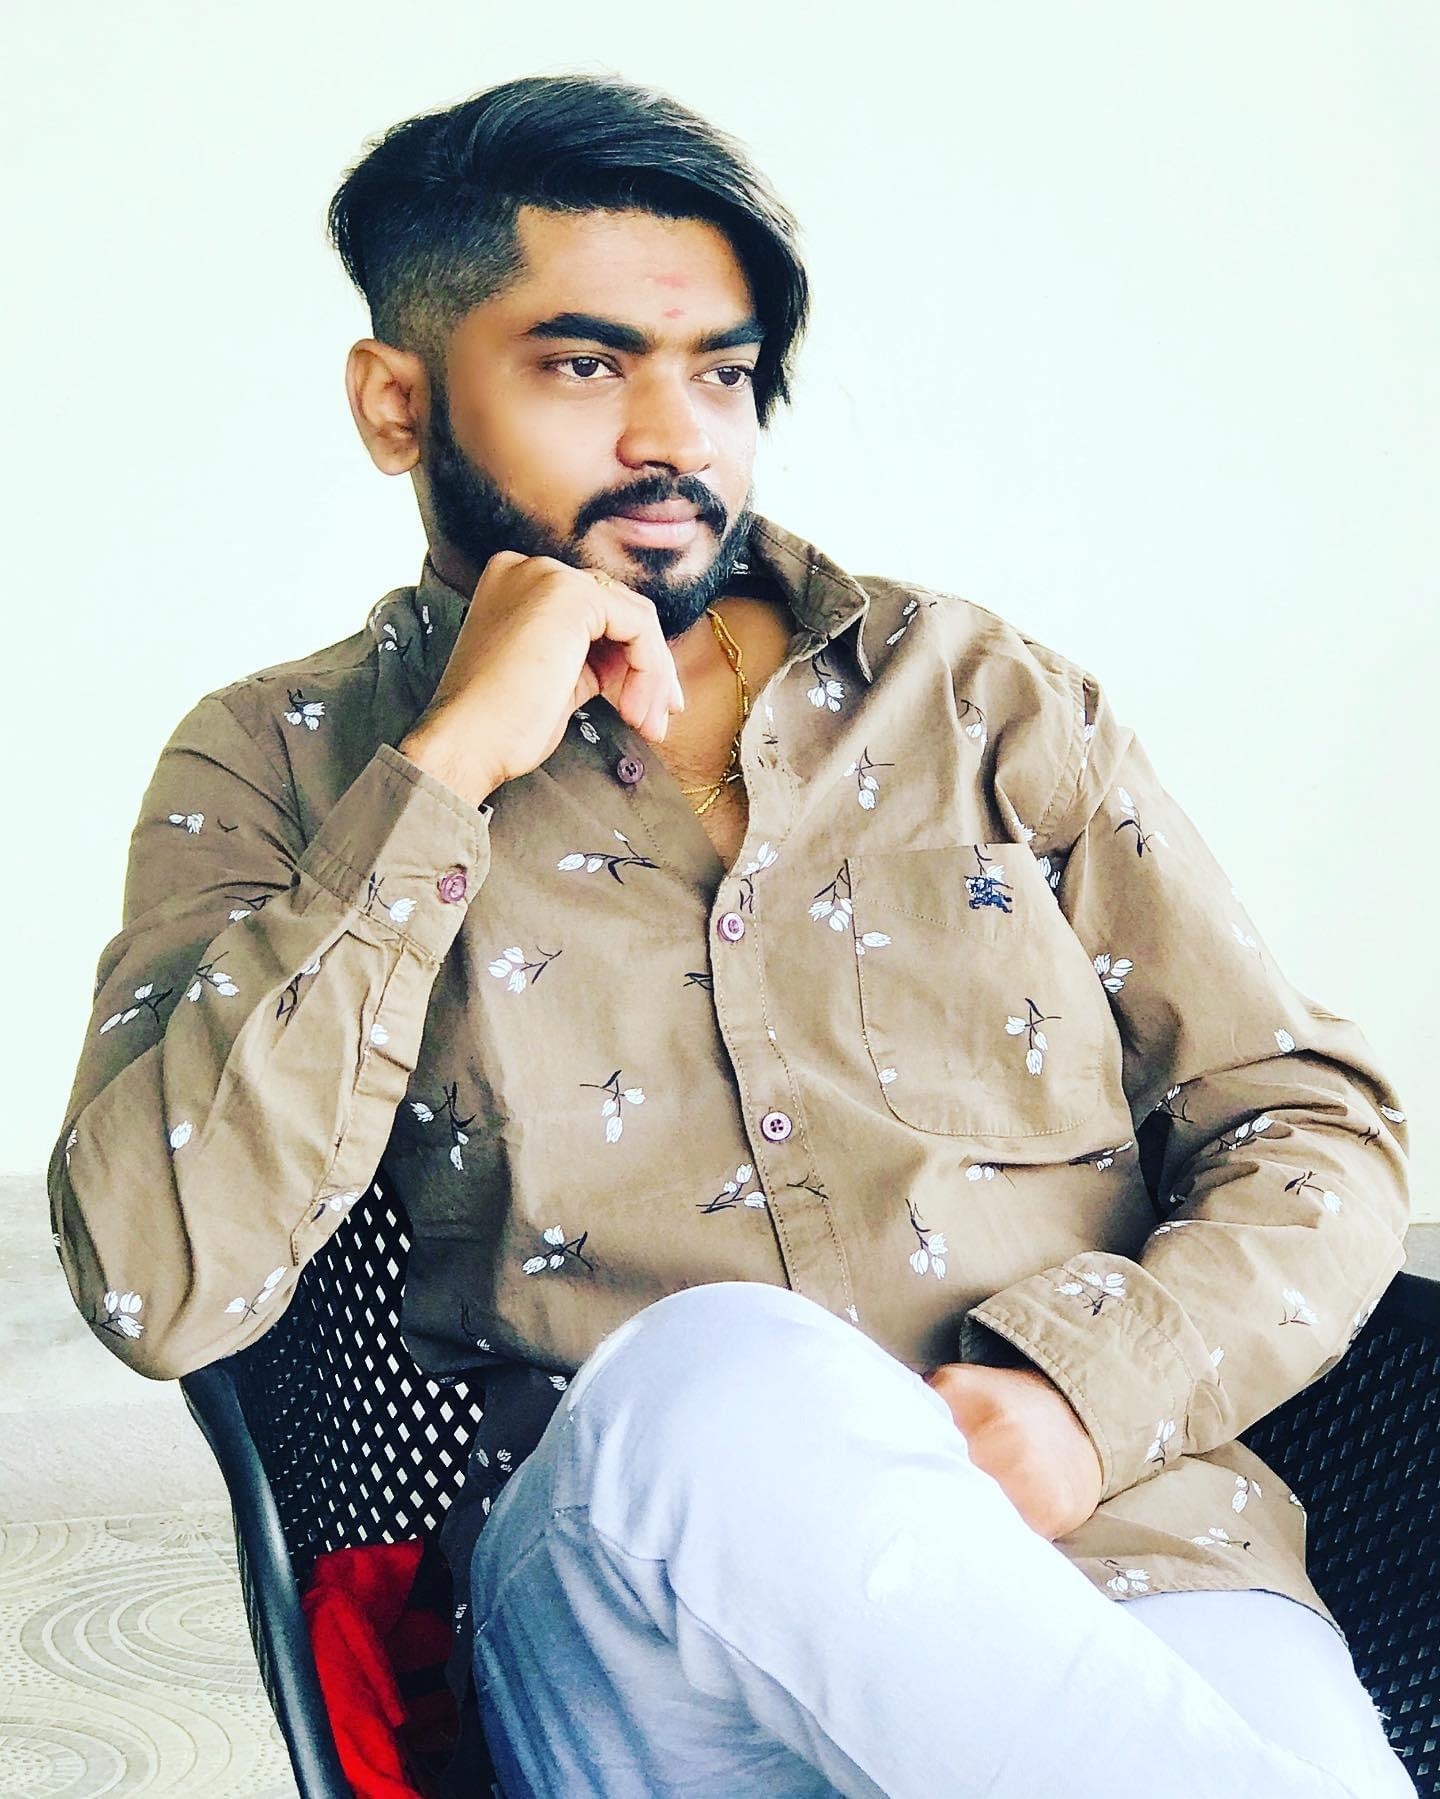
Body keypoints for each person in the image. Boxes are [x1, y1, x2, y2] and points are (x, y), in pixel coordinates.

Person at [49, 73, 1415, 1798]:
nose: (675, 436)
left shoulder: (977, 697)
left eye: (722, 373)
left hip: (1130, 1552)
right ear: (398, 405)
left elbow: (1306, 1122)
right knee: (734, 1367)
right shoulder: (284, 758)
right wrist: (448, 768)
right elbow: (162, 1279)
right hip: (646, 1631)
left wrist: (1091, 1397)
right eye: (585, 366)